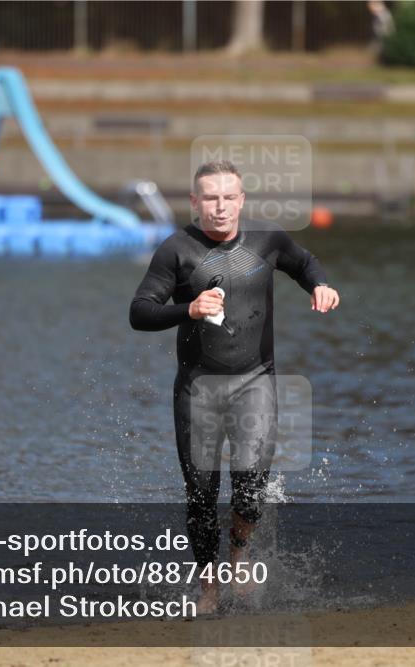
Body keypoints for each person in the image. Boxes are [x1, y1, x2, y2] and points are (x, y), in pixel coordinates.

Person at [129, 160, 339, 613]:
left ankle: (239, 554)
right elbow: (140, 311)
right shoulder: (176, 250)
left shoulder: (267, 241)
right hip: (197, 389)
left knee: (250, 483)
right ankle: (208, 588)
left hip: (254, 381)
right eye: (210, 198)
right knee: (201, 494)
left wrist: (319, 285)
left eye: (229, 197)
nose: (220, 207)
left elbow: (305, 264)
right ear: (195, 202)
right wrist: (187, 310)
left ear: (241, 200)